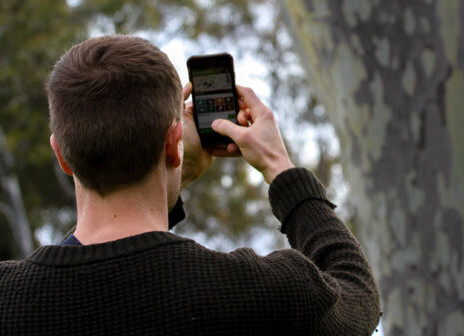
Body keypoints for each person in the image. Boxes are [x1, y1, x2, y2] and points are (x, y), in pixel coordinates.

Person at [0, 35, 381, 335]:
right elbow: (357, 297)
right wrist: (280, 167)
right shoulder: (261, 294)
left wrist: (170, 171)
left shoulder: (9, 300)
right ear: (173, 143)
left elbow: (99, 271)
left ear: (61, 155)